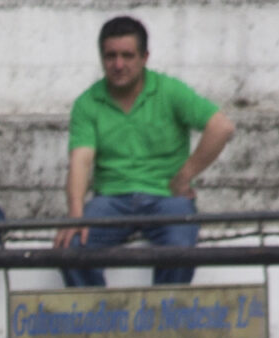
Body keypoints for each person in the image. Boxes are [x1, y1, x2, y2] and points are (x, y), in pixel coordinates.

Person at [56, 15, 234, 289]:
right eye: (110, 56)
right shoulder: (87, 102)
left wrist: (184, 176)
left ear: (144, 57)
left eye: (127, 56)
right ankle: (99, 327)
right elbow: (80, 160)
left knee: (180, 249)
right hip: (111, 200)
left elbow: (221, 127)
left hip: (167, 198)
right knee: (71, 248)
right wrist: (76, 214)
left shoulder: (169, 91)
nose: (118, 65)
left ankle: (161, 326)